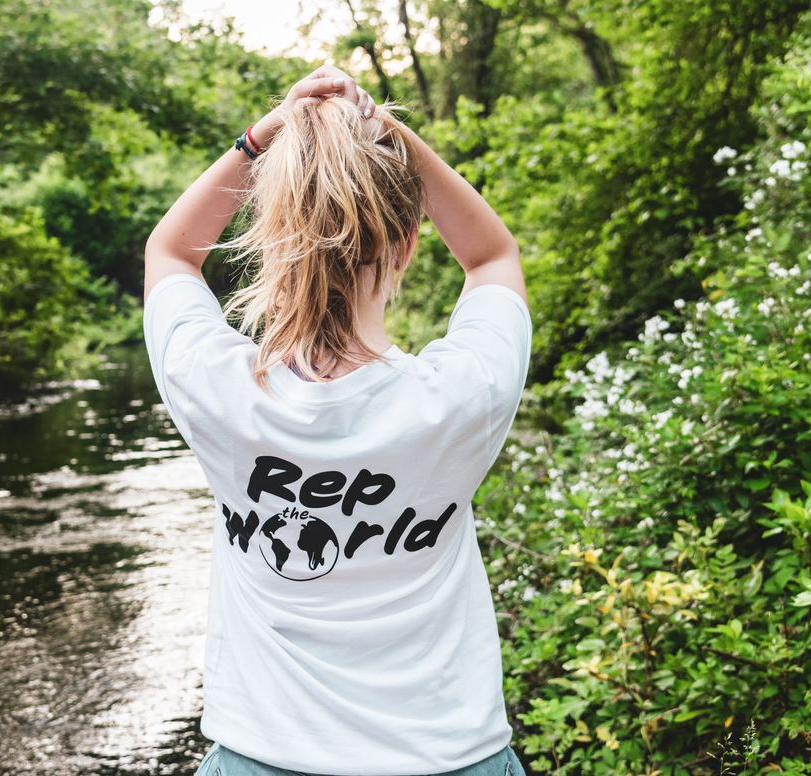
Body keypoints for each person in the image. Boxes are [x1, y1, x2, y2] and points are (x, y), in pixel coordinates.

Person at [142, 63, 532, 776]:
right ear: (407, 244)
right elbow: (491, 256)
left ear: (271, 238)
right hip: (446, 759)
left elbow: (171, 252)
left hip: (261, 759)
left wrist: (263, 136)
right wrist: (390, 134)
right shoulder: (460, 394)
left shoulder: (218, 389)